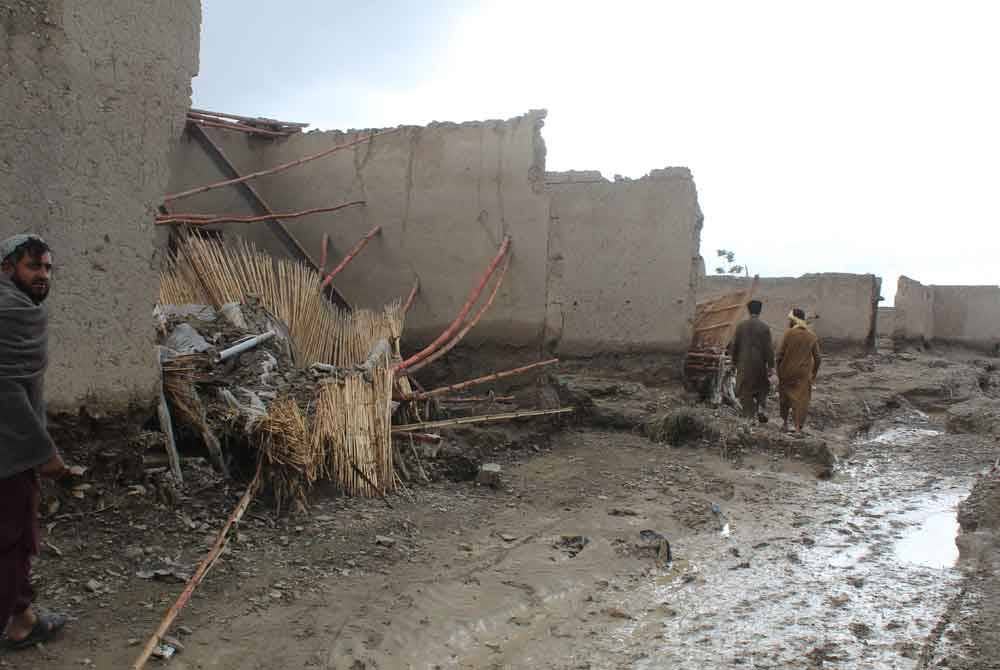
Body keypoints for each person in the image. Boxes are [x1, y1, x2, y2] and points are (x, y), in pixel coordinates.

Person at [0, 234, 81, 652]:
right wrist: (43, 452)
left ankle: (23, 618)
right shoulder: (8, 313)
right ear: (7, 268)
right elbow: (7, 393)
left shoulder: (22, 312)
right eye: (34, 267)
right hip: (8, 452)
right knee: (12, 539)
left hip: (14, 448)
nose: (43, 276)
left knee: (15, 537)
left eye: (48, 268)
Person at [777, 308, 822, 434]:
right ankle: (797, 428)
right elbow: (818, 359)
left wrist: (778, 371)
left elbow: (779, 355)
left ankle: (785, 424)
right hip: (803, 374)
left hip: (786, 372)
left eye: (789, 320)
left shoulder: (788, 334)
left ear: (793, 320)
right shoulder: (811, 336)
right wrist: (813, 375)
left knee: (785, 397)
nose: (788, 323)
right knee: (801, 400)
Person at [728, 299, 775, 423]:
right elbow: (768, 349)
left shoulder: (741, 326)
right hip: (759, 364)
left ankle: (749, 416)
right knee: (762, 387)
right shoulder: (764, 327)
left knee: (745, 390)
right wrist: (771, 366)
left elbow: (735, 346)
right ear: (760, 311)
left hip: (743, 364)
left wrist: (733, 363)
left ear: (749, 311)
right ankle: (760, 408)